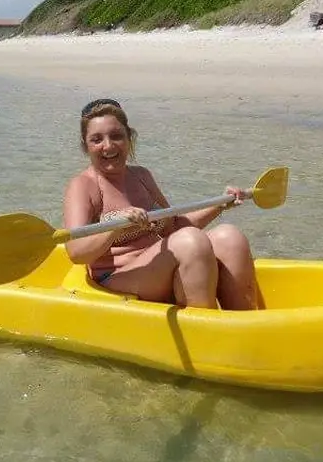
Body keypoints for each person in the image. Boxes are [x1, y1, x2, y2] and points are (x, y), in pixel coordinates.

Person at [61, 98, 263, 310]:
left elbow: (173, 227)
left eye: (116, 136)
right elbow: (76, 253)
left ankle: (244, 321)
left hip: (158, 267)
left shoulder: (142, 176)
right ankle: (203, 330)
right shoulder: (83, 185)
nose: (108, 146)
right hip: (116, 278)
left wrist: (220, 205)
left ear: (129, 138)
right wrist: (115, 227)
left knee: (230, 238)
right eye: (97, 139)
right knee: (191, 243)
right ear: (86, 146)